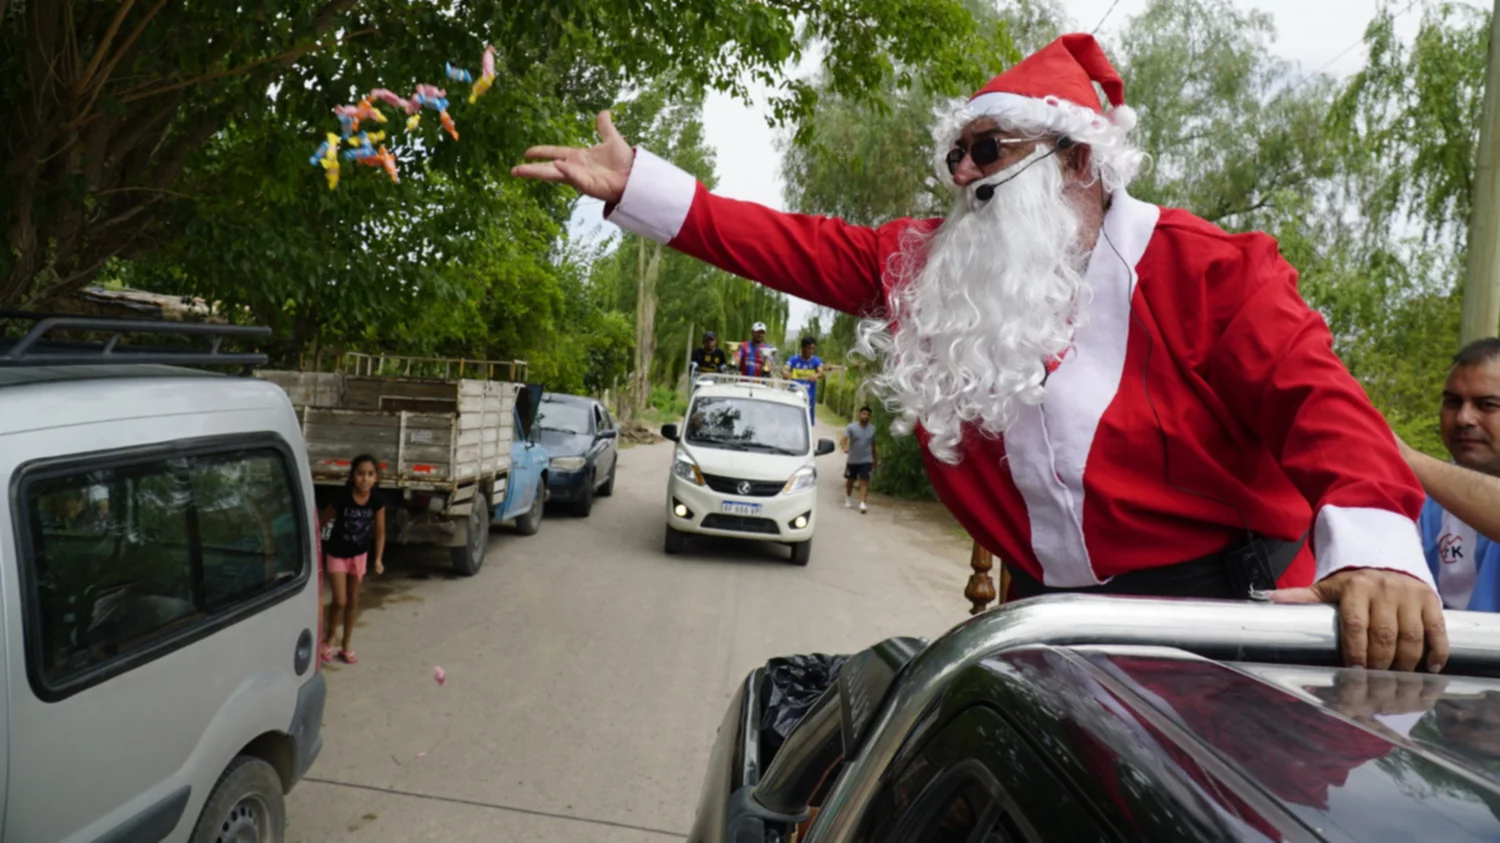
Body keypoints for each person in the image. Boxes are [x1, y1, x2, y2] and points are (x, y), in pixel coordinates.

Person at [514, 34, 1445, 671]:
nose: (962, 178)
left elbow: (1321, 403)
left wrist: (1377, 555)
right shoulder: (928, 265)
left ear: (1077, 162)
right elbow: (786, 242)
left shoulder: (1211, 271)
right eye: (954, 157)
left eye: (986, 152)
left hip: (1229, 626)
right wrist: (637, 184)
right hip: (1054, 632)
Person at [1396, 339, 1500, 612]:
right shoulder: (1422, 504)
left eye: (1487, 405)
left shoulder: (1418, 472)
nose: (1464, 418)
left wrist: (1407, 458)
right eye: (1453, 402)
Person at [320, 454, 386, 665]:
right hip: (337, 554)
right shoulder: (342, 498)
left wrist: (378, 558)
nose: (365, 479)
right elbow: (322, 521)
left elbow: (381, 532)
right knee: (339, 600)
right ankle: (330, 636)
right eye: (360, 474)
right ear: (352, 476)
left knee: (352, 602)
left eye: (370, 474)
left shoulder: (376, 500)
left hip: (359, 556)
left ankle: (346, 644)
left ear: (376, 477)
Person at [842, 406, 879, 513]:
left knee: (864, 480)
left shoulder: (872, 429)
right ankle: (848, 497)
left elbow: (873, 445)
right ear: (860, 414)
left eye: (867, 414)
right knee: (850, 480)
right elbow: (844, 439)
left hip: (866, 459)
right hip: (853, 459)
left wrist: (875, 458)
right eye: (863, 414)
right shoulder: (851, 427)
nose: (865, 416)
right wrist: (844, 447)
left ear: (870, 417)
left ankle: (862, 502)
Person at [784, 337, 825, 422]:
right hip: (794, 398)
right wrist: (785, 373)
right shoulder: (793, 359)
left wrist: (816, 375)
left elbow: (821, 372)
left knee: (806, 424)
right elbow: (785, 369)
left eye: (813, 348)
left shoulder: (816, 361)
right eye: (808, 348)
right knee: (791, 422)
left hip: (809, 399)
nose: (811, 351)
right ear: (802, 348)